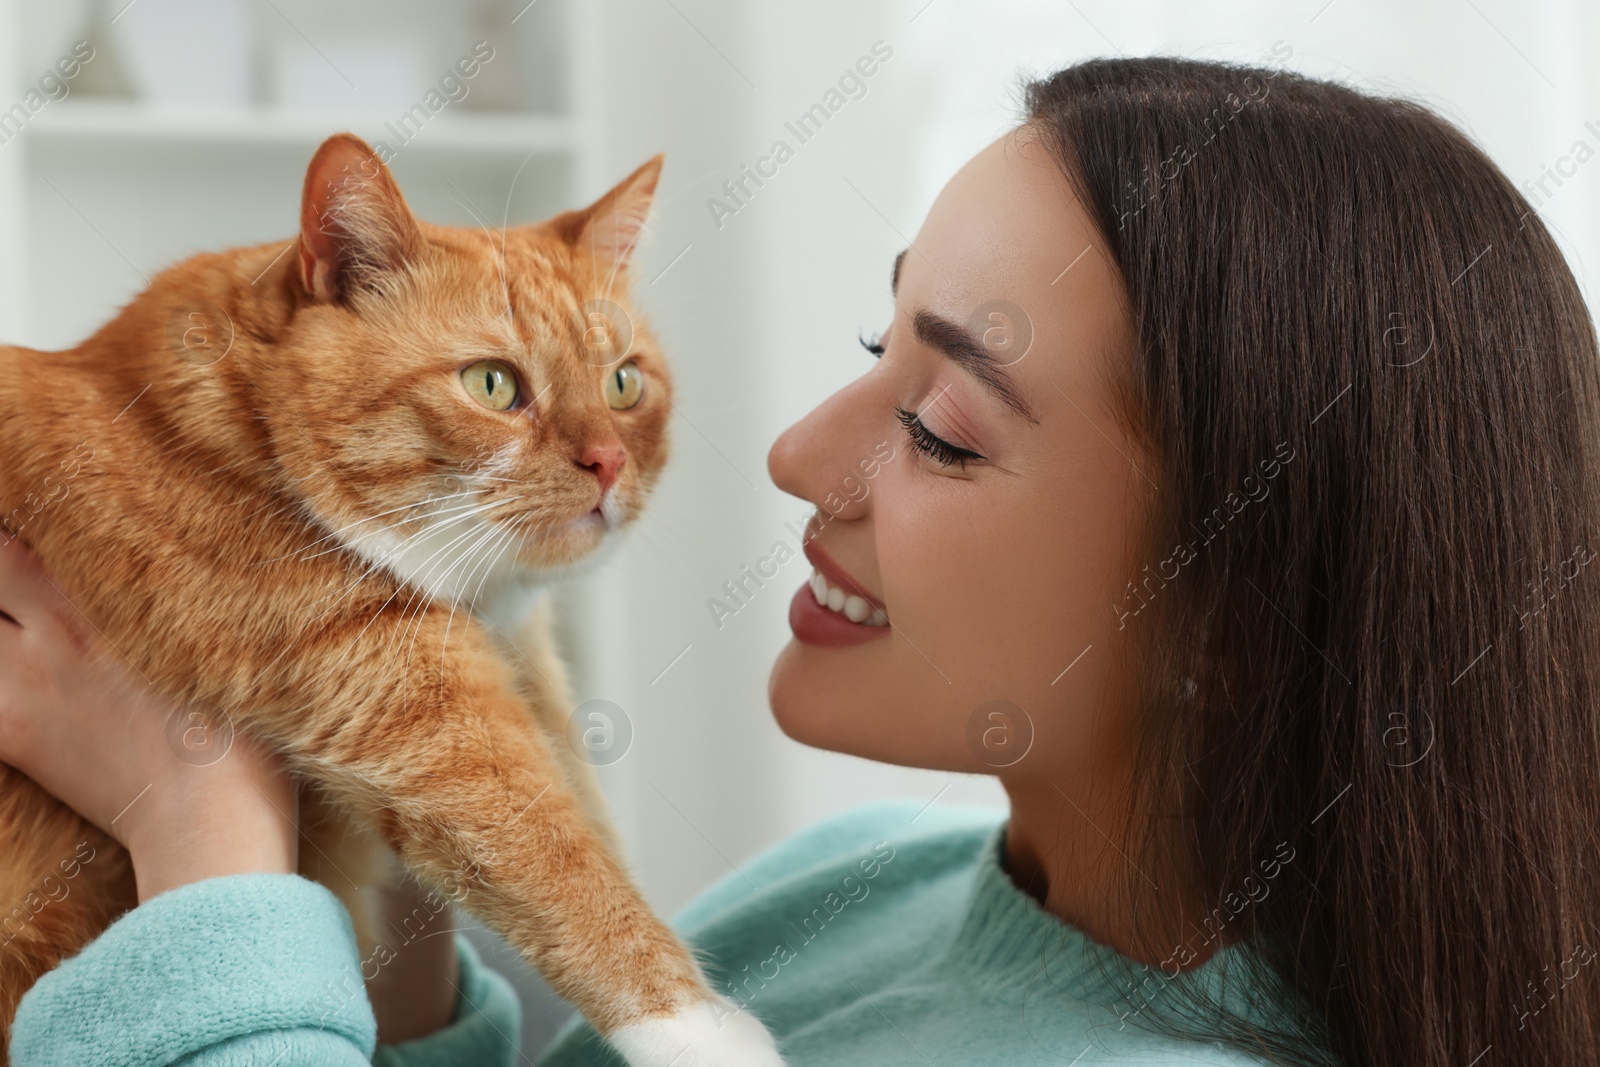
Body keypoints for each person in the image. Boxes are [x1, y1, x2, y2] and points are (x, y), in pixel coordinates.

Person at [3, 54, 1598, 1067]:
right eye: (869, 345)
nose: (791, 458)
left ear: (1232, 617)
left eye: (948, 426)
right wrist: (387, 844)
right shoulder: (861, 892)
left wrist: (191, 827)